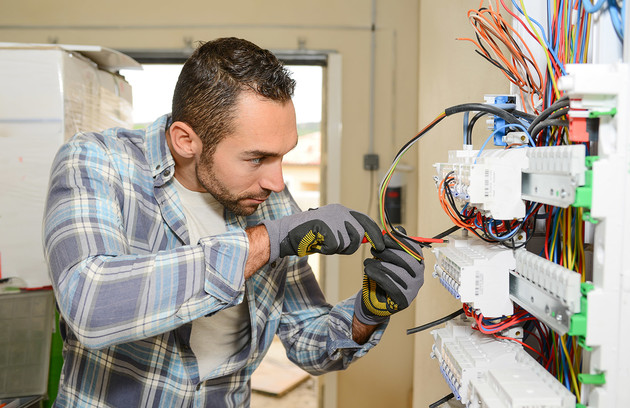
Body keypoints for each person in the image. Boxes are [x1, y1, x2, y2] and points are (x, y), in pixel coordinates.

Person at [43, 37, 425, 407]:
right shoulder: (96, 162)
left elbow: (308, 344)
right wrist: (265, 242)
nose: (277, 183)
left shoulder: (270, 203)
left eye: (282, 156)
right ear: (185, 140)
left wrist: (367, 312)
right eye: (257, 159)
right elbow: (89, 303)